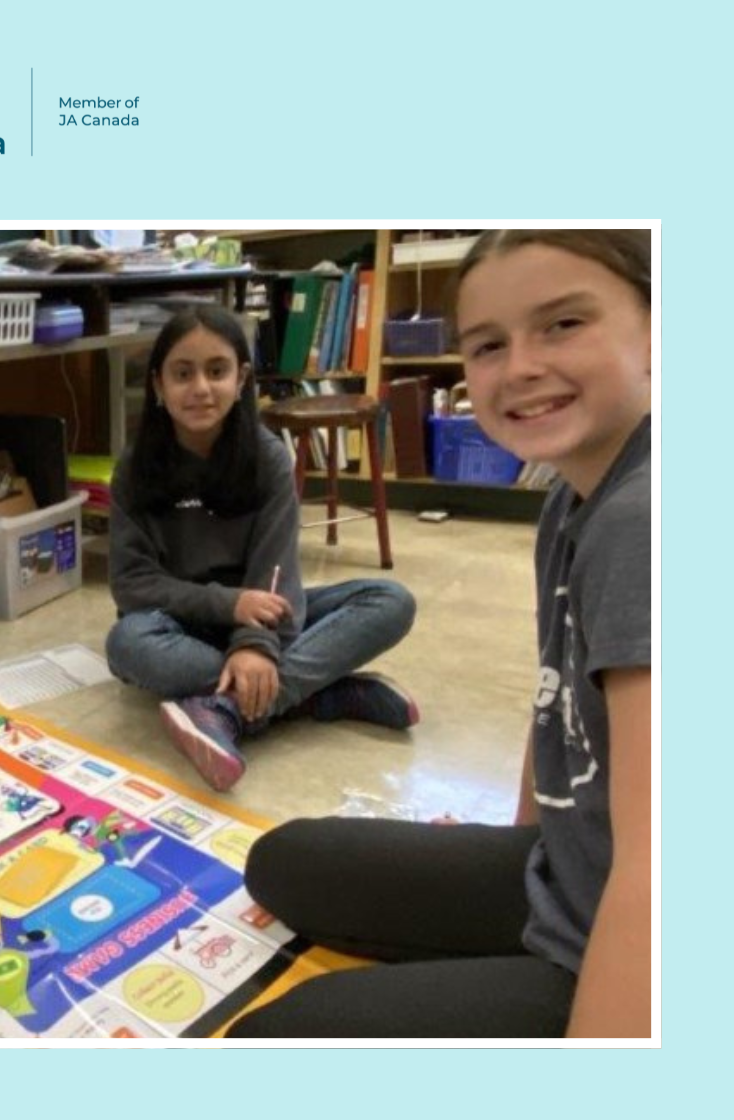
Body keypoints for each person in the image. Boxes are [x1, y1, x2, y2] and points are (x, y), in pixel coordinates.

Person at [229, 229, 652, 1038]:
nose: (520, 367)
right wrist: (517, 851)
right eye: (488, 344)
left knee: (272, 1039)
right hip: (569, 874)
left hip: (639, 950)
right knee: (282, 859)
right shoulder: (571, 496)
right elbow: (557, 704)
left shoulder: (645, 520)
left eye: (564, 324)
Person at [105, 305, 418, 792]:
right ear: (158, 385)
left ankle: (227, 708)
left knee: (390, 601)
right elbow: (132, 585)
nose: (201, 388)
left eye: (217, 371)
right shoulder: (134, 468)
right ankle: (317, 693)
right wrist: (229, 604)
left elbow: (275, 574)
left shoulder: (268, 457)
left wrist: (255, 644)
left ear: (242, 379)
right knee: (127, 644)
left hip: (266, 614)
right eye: (183, 374)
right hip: (181, 625)